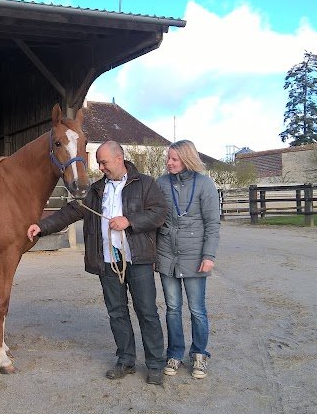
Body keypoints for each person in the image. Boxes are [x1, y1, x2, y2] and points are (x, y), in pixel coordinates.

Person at [27, 141, 167, 385]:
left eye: (104, 162)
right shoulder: (96, 190)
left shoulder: (145, 184)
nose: (100, 167)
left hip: (138, 259)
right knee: (117, 313)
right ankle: (125, 360)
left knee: (147, 312)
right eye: (99, 163)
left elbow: (159, 213)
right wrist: (42, 226)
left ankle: (155, 364)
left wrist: (129, 221)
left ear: (119, 158)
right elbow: (70, 212)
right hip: (108, 261)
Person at [154, 140, 220, 379]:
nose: (169, 163)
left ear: (187, 159)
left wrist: (209, 256)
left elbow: (213, 224)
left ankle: (200, 354)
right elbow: (154, 219)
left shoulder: (205, 184)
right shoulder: (160, 183)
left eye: (174, 159)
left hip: (195, 257)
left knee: (197, 310)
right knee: (172, 309)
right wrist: (155, 255)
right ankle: (174, 354)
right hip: (167, 255)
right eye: (168, 158)